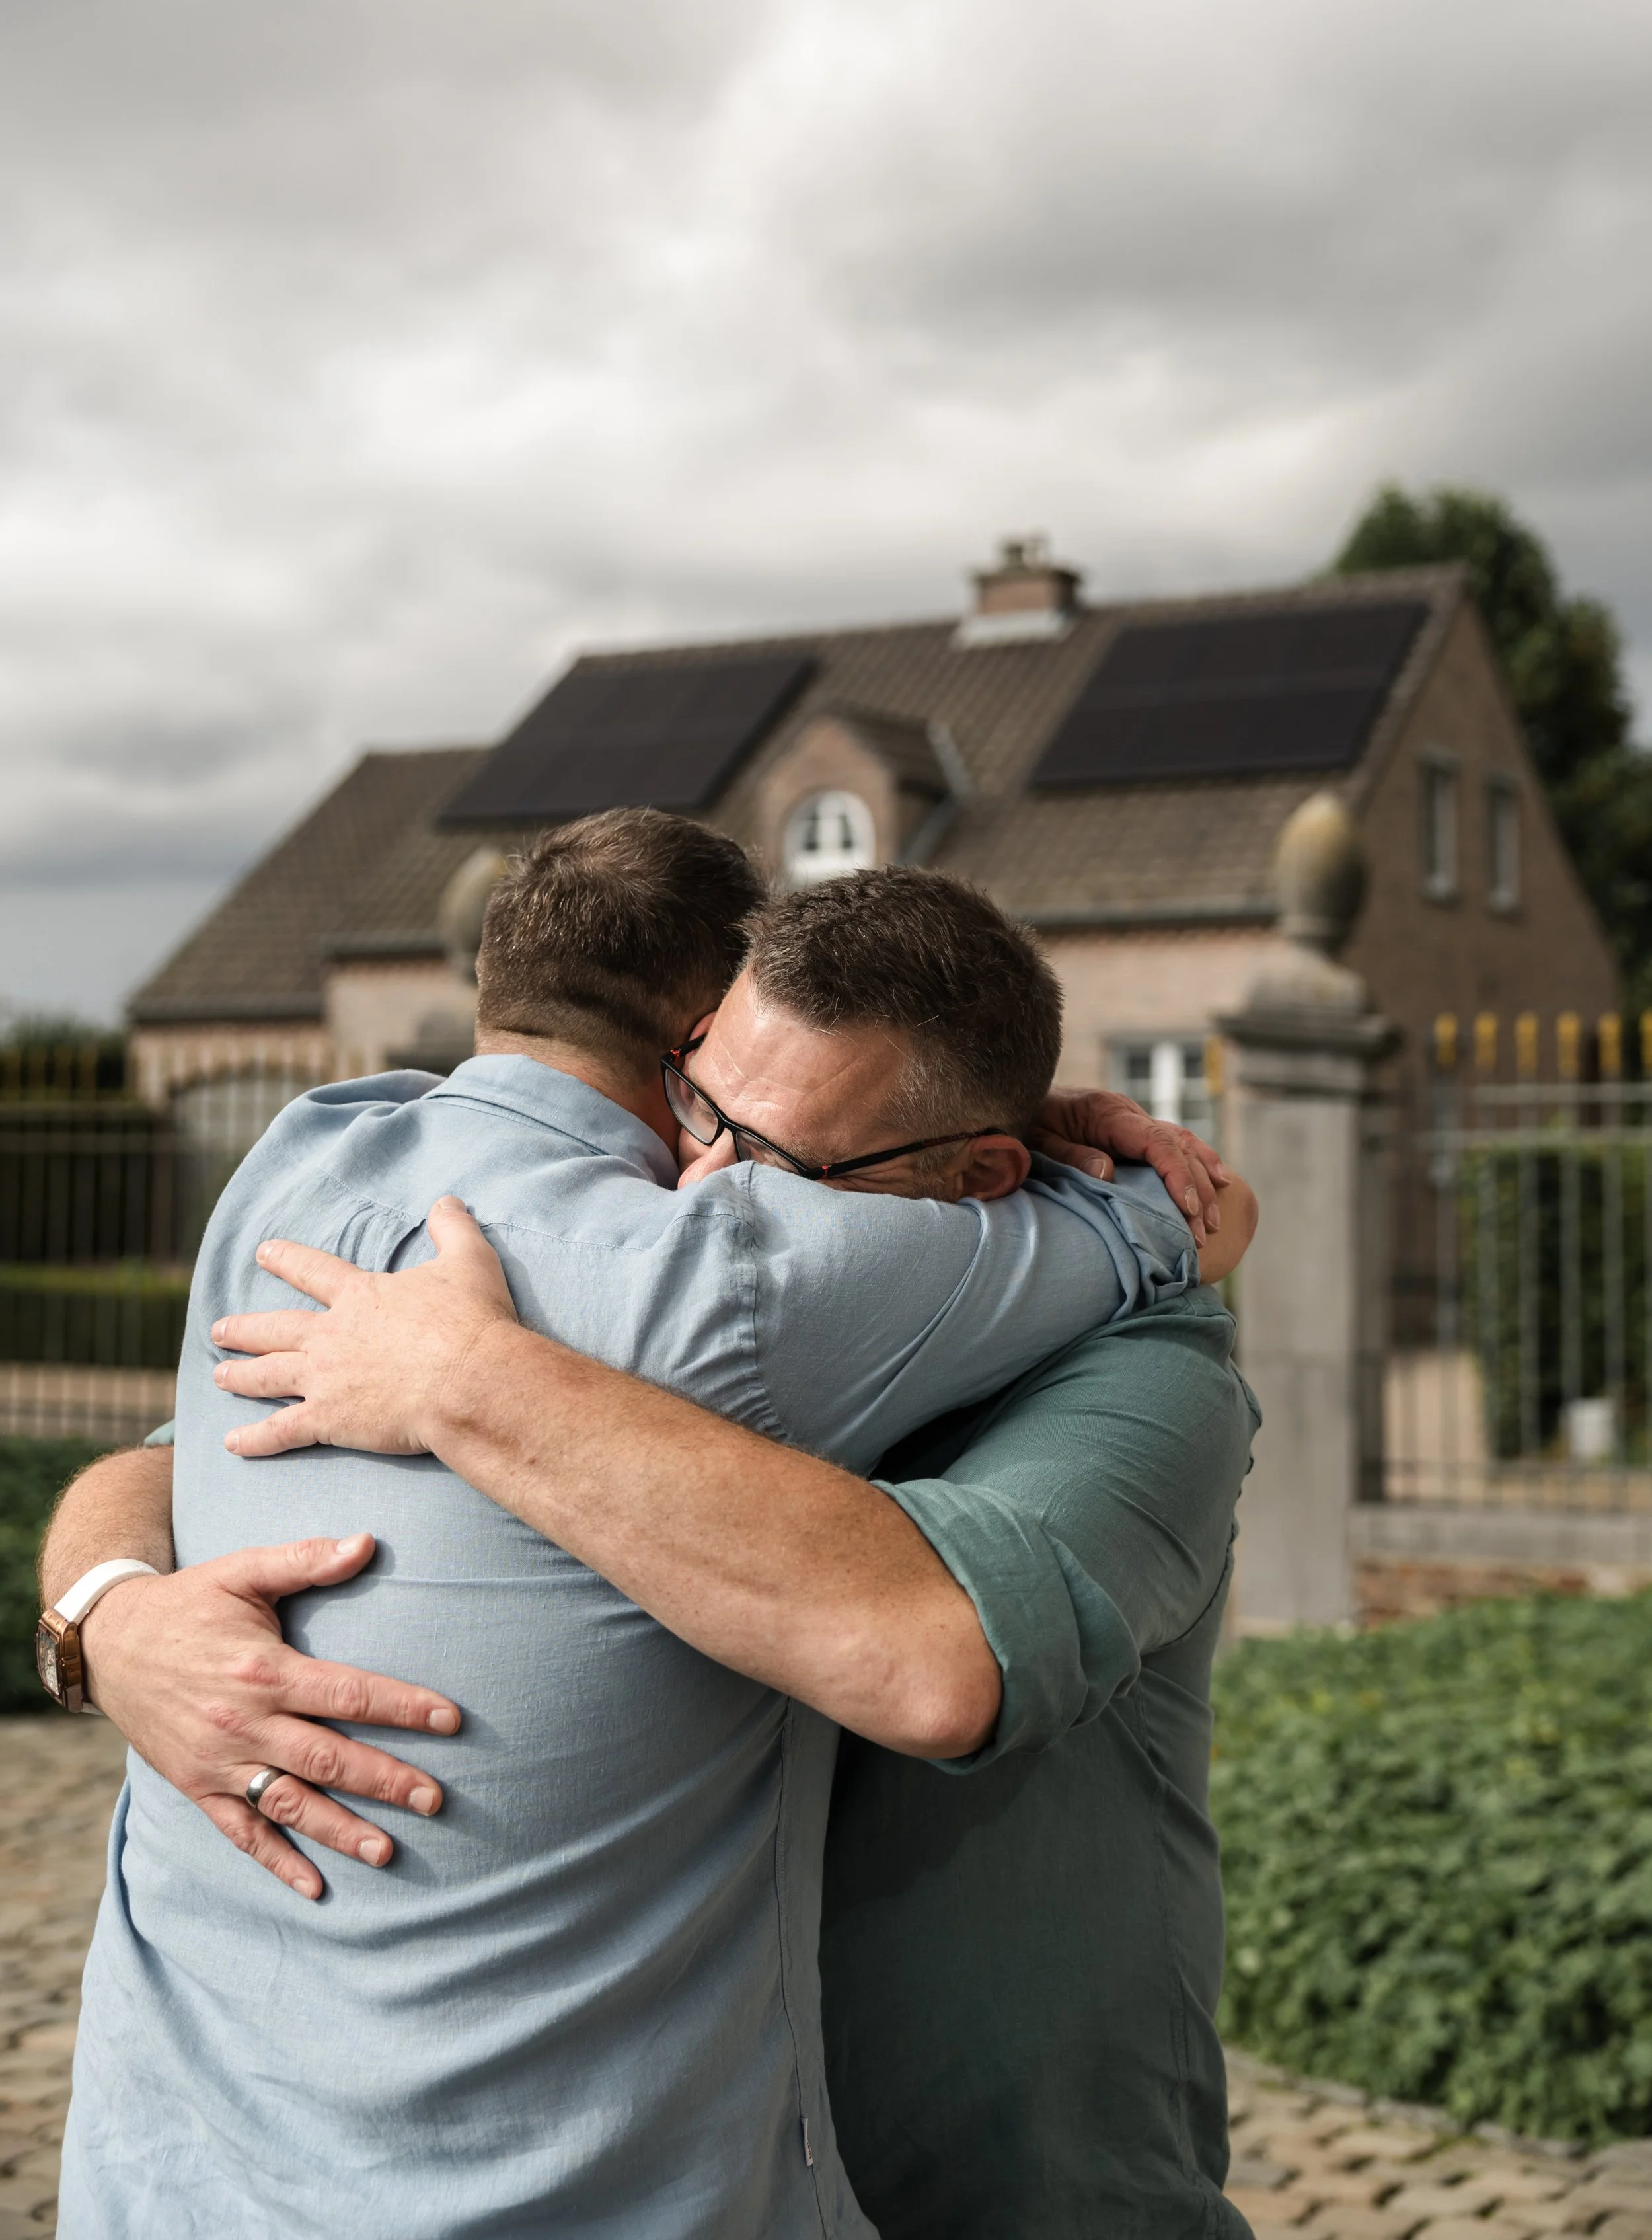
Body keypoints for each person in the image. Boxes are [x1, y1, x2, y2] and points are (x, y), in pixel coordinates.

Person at [44, 812, 1241, 2240]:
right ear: (690, 1033)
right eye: (697, 1104)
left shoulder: (313, 1168)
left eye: (771, 1152)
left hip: (1017, 2192)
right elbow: (166, 1458)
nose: (700, 1180)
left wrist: (470, 1379)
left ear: (974, 1176)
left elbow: (930, 1657)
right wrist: (110, 1612)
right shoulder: (677, 1271)